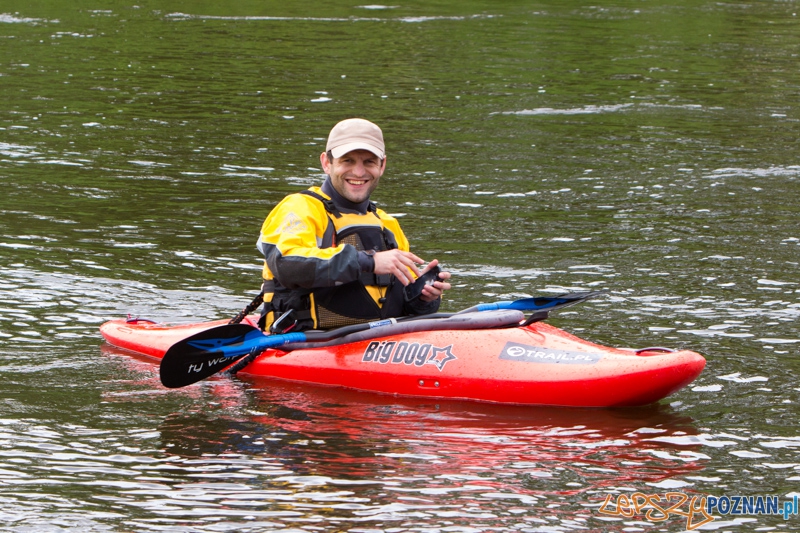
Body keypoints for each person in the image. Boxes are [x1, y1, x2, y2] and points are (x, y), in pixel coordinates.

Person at [256, 118, 451, 332]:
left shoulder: (388, 224)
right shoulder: (299, 208)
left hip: (375, 342)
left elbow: (402, 307)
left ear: (382, 165)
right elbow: (287, 266)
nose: (359, 172)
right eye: (347, 161)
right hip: (305, 341)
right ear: (326, 163)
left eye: (369, 162)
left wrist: (422, 299)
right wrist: (369, 261)